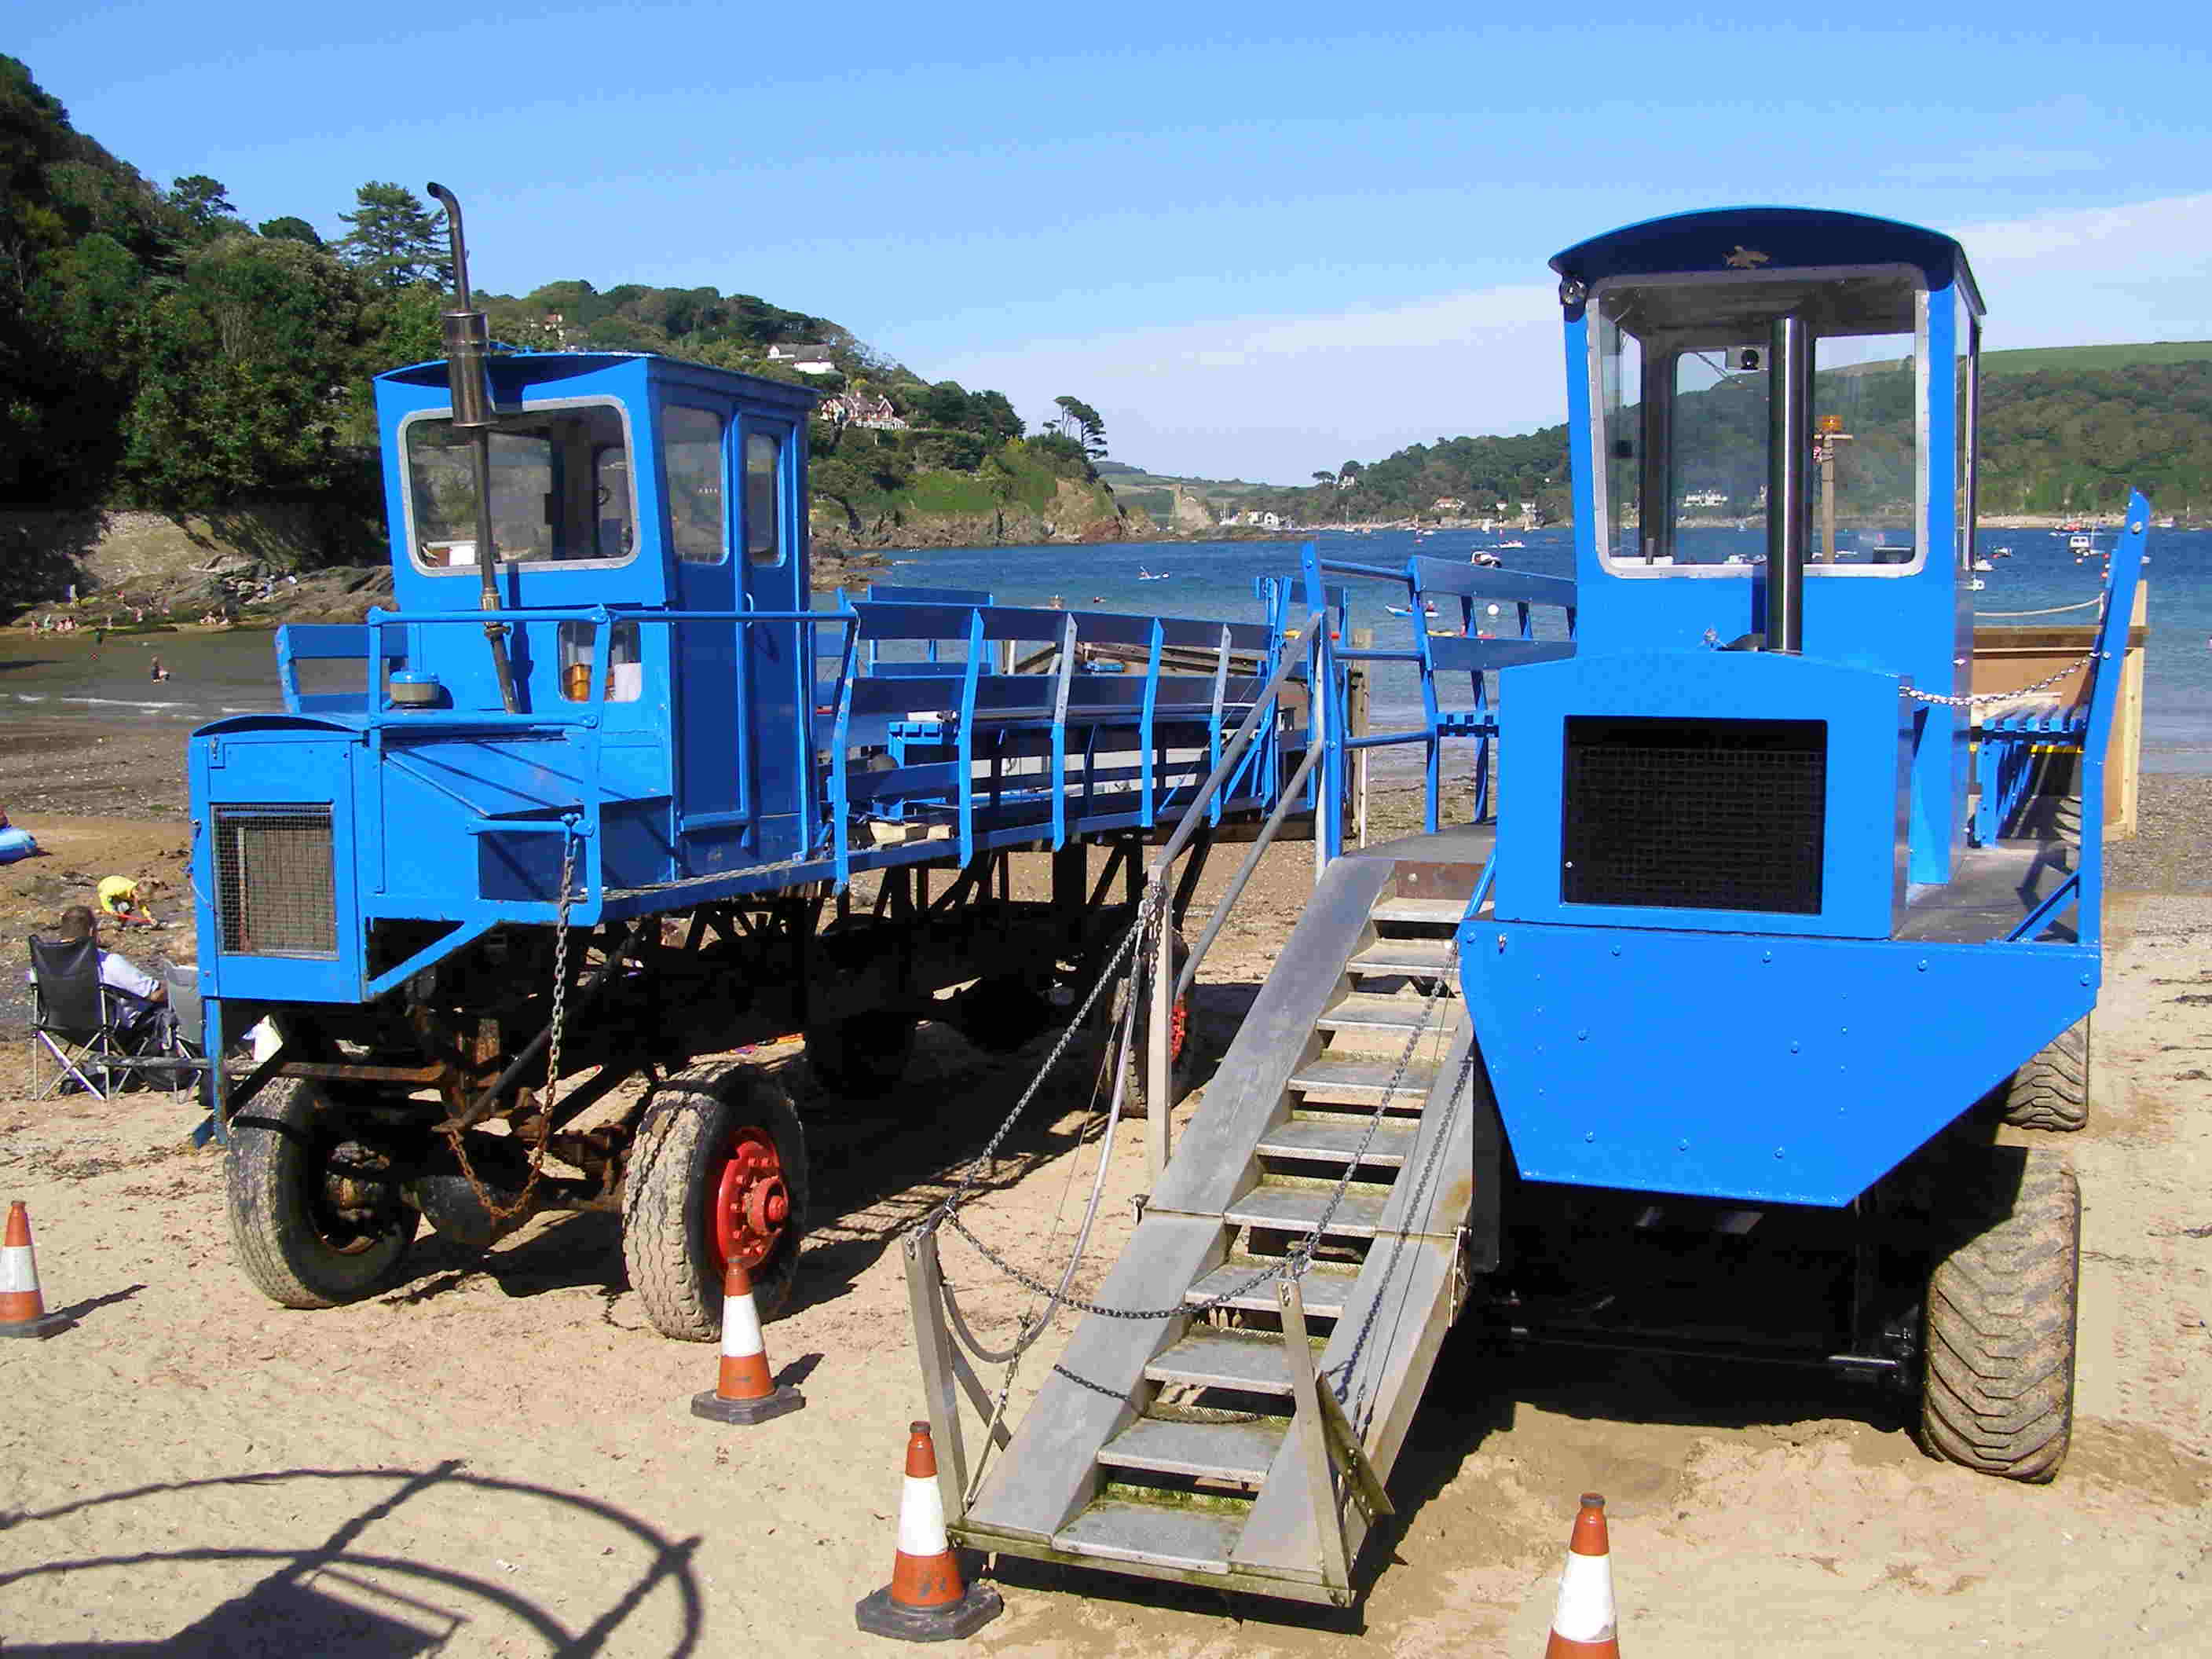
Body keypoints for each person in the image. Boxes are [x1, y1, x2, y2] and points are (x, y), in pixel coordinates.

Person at [30, 905, 167, 1044]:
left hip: (64, 1030)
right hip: (116, 1032)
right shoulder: (107, 962)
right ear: (91, 932)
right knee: (168, 1007)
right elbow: (156, 994)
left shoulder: (42, 966)